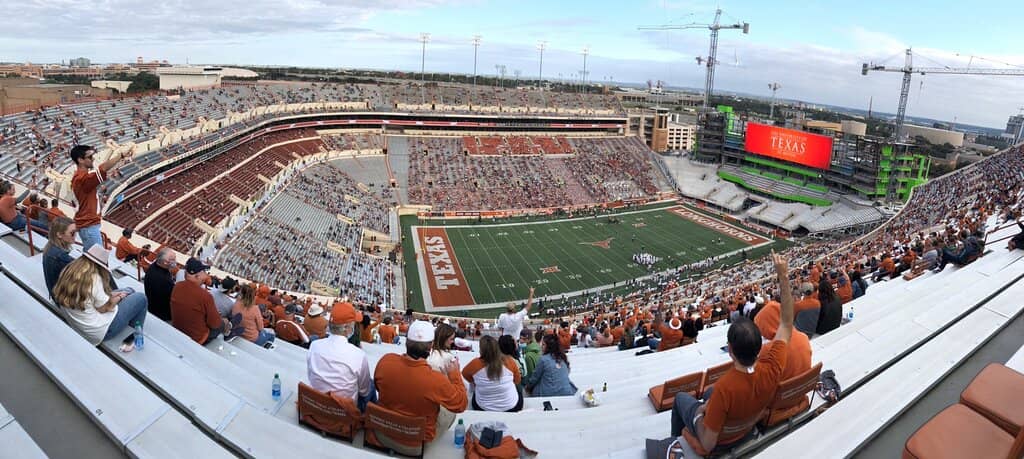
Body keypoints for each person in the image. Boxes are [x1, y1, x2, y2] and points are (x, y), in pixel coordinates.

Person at [672, 250, 795, 454]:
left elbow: (708, 443)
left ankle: (676, 445)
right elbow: (787, 322)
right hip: (747, 424)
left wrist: (699, 416)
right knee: (709, 394)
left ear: (730, 350)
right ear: (760, 347)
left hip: (726, 440)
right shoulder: (773, 367)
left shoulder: (725, 388)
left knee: (680, 399)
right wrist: (783, 276)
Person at [373, 321, 467, 453]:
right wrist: (455, 375)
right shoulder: (436, 380)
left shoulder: (385, 361)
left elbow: (378, 387)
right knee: (450, 411)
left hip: (382, 432)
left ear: (406, 342)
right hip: (414, 445)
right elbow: (461, 404)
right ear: (431, 346)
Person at [52, 245, 148, 348]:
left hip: (81, 324)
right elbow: (104, 308)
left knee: (129, 290)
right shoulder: (94, 279)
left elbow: (90, 298)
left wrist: (115, 295)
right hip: (100, 332)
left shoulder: (70, 270)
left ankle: (129, 314)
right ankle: (134, 335)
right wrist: (120, 297)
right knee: (141, 298)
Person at [307, 301, 376, 412]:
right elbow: (364, 391)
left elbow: (311, 376)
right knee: (370, 384)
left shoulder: (315, 346)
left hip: (317, 406)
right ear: (347, 328)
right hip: (343, 414)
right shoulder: (358, 355)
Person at [69, 144, 133, 250]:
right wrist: (121, 155)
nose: (93, 159)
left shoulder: (80, 177)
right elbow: (102, 169)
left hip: (88, 225)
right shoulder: (82, 179)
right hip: (89, 226)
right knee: (95, 259)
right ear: (80, 160)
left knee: (92, 257)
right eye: (89, 157)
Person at [170, 258, 227, 345]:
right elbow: (215, 324)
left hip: (178, 329)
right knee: (222, 323)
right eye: (204, 271)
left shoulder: (177, 286)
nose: (206, 274)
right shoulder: (205, 296)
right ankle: (228, 330)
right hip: (198, 338)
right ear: (197, 276)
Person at [463, 336, 523, 412]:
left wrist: (477, 382)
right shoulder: (509, 361)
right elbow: (517, 380)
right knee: (518, 390)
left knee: (476, 392)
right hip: (511, 406)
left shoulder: (475, 364)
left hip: (482, 407)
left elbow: (465, 374)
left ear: (481, 350)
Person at [42, 217, 76, 299]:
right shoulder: (61, 257)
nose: (75, 236)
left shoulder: (50, 247)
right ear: (59, 234)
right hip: (63, 299)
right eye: (72, 233)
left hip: (55, 293)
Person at [144, 248, 176, 321]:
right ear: (165, 262)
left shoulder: (153, 266)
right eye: (173, 259)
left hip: (152, 305)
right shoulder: (165, 280)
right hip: (161, 313)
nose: (175, 261)